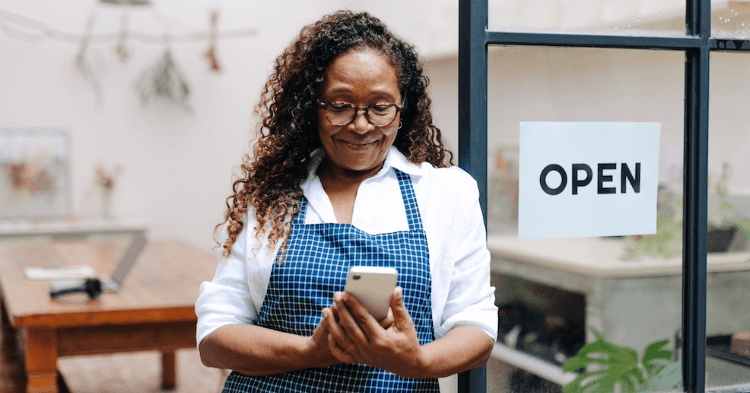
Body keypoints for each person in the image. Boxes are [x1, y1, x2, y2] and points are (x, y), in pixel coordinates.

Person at [195, 10, 497, 392]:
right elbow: (215, 337)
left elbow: (476, 326)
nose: (360, 125)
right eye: (339, 105)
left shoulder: (448, 193)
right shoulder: (273, 195)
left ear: (403, 110)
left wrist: (417, 361)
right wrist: (312, 351)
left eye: (380, 107)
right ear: (312, 108)